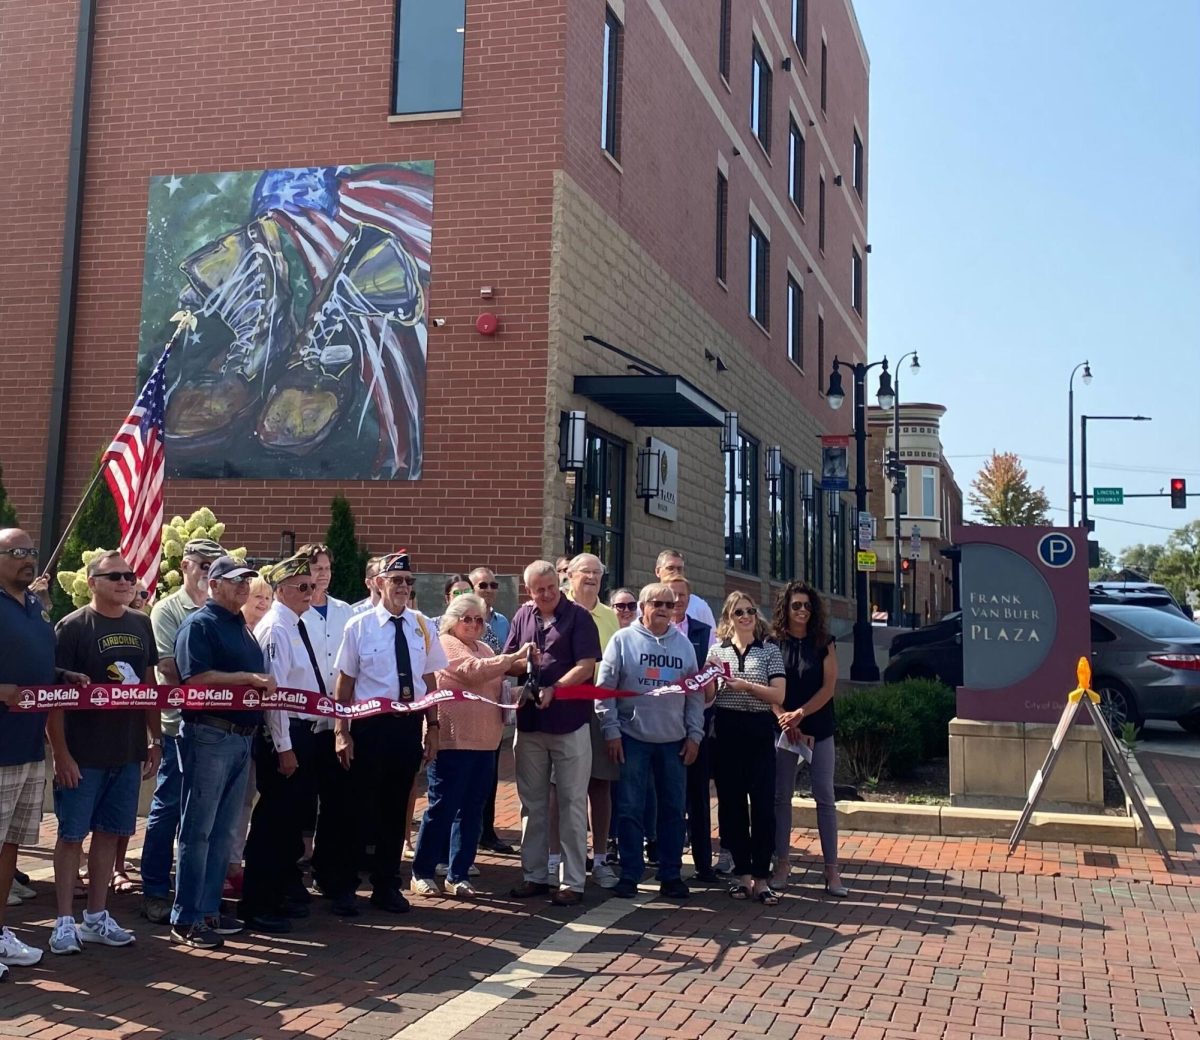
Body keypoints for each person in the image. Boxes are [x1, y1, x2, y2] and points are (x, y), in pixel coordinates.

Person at [48, 551, 161, 954]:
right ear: (92, 581)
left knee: (111, 835)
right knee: (71, 835)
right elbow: (54, 697)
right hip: (83, 753)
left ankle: (96, 917)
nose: (126, 582)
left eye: (130, 576)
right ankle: (63, 922)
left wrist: (155, 738)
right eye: (115, 576)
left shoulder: (141, 623)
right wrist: (61, 754)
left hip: (127, 751)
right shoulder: (73, 627)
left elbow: (148, 684)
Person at [330, 551, 446, 916]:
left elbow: (430, 681)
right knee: (357, 809)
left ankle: (386, 885)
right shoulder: (358, 626)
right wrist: (341, 731)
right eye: (396, 580)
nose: (403, 588)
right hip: (368, 726)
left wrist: (434, 727)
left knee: (396, 810)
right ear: (379, 584)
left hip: (406, 727)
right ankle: (345, 888)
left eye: (409, 581)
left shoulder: (422, 625)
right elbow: (344, 684)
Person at [170, 556, 276, 949]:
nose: (243, 587)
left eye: (247, 580)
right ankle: (187, 917)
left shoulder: (240, 626)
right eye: (234, 581)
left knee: (224, 830)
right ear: (213, 585)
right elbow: (194, 679)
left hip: (240, 736)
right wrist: (247, 678)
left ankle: (209, 909)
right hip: (209, 735)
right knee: (198, 830)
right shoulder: (199, 624)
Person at [0, 529, 88, 980]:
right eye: (16, 552)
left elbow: (31, 662)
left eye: (31, 551)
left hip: (29, 747)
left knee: (10, 846)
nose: (28, 559)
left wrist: (61, 673)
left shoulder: (33, 607)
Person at [410, 595, 531, 897]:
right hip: (453, 740)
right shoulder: (445, 645)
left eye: (480, 620)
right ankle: (422, 871)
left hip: (486, 742)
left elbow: (494, 687)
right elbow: (472, 671)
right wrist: (513, 657)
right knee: (442, 807)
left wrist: (522, 692)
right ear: (453, 619)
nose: (475, 625)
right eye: (468, 618)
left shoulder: (487, 648)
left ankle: (458, 873)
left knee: (473, 811)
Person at [596, 583, 705, 900]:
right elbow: (606, 690)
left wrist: (694, 735)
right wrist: (611, 731)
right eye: (656, 603)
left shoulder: (684, 646)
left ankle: (670, 874)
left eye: (669, 605)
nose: (663, 609)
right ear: (642, 606)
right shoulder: (622, 640)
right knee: (630, 808)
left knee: (673, 810)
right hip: (632, 739)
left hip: (674, 741)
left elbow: (695, 695)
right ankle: (630, 874)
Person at [503, 560, 599, 907]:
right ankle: (534, 875)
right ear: (528, 591)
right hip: (530, 725)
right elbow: (509, 661)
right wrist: (521, 658)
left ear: (559, 585)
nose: (545, 595)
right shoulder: (522, 617)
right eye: (538, 590)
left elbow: (586, 666)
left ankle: (573, 881)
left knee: (573, 803)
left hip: (570, 722)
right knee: (532, 804)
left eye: (550, 588)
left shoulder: (579, 617)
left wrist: (556, 687)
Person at [239, 554, 324, 931]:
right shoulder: (276, 628)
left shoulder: (299, 624)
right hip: (284, 734)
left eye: (312, 586)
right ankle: (258, 903)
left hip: (305, 732)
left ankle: (278, 893)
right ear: (280, 590)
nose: (309, 592)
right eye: (301, 587)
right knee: (273, 822)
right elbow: (275, 695)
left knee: (289, 821)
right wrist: (285, 747)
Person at [142, 537, 224, 924]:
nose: (209, 571)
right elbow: (171, 670)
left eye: (215, 565)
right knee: (169, 805)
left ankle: (196, 894)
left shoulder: (222, 610)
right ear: (185, 565)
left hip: (218, 725)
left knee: (207, 815)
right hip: (180, 724)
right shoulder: (168, 609)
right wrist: (222, 677)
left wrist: (216, 676)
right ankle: (156, 889)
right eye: (203, 564)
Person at [706, 593, 785, 905]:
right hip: (726, 730)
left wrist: (747, 686)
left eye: (750, 611)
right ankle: (742, 876)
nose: (745, 617)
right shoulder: (717, 650)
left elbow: (779, 693)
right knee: (731, 804)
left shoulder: (769, 651)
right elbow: (709, 696)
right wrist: (709, 676)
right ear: (728, 617)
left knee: (763, 806)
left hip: (759, 730)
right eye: (738, 612)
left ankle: (762, 877)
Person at [771, 582, 846, 897]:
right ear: (785, 609)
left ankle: (831, 870)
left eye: (807, 606)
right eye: (796, 605)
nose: (802, 611)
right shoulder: (773, 642)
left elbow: (829, 688)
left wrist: (800, 714)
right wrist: (783, 717)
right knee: (781, 797)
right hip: (783, 730)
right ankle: (782, 864)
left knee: (825, 798)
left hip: (818, 727)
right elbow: (766, 684)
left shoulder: (823, 642)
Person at [563, 553, 620, 889]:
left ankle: (599, 859)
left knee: (600, 785)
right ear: (569, 576)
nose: (592, 578)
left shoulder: (611, 617)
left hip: (600, 708)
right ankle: (562, 859)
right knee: (562, 789)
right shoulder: (557, 610)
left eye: (598, 573)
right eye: (585, 572)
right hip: (564, 707)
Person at [663, 572, 719, 884]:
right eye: (672, 594)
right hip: (664, 720)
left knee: (698, 794)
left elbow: (710, 669)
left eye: (682, 594)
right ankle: (663, 857)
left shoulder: (702, 631)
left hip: (698, 718)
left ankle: (703, 863)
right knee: (667, 794)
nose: (677, 599)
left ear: (689, 598)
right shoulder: (655, 630)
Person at [224, 571, 276, 900]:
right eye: (257, 596)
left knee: (246, 801)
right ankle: (227, 865)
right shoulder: (239, 633)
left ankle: (234, 860)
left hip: (260, 730)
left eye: (267, 598)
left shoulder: (262, 635)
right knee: (232, 801)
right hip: (229, 729)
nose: (262, 603)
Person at [470, 566, 514, 854]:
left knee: (491, 770)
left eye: (493, 585)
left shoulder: (503, 622)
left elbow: (509, 658)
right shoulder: (464, 620)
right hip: (467, 706)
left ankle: (487, 830)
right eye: (483, 585)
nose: (488, 590)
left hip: (494, 704)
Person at [654, 550, 716, 632]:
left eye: (679, 569)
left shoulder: (700, 607)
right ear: (658, 571)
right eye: (670, 568)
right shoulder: (647, 605)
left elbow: (712, 639)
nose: (676, 572)